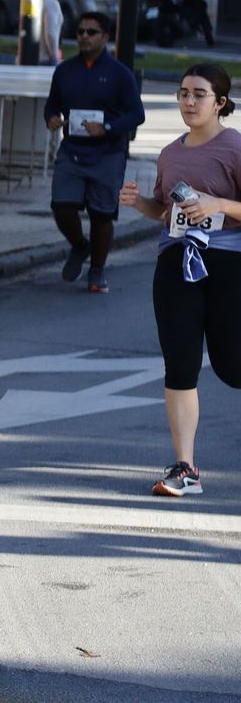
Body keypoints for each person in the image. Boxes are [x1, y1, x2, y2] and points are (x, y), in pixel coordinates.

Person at [118, 64, 241, 498]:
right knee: (180, 364)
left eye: (198, 94)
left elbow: (223, 207)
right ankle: (185, 467)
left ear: (219, 102)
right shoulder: (170, 153)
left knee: (232, 366)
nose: (188, 102)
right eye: (183, 93)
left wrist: (218, 204)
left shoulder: (235, 148)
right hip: (176, 262)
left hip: (227, 265)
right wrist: (140, 203)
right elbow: (165, 211)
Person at [44, 12, 146, 293]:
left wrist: (108, 128)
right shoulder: (65, 71)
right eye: (80, 32)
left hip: (108, 153)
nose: (84, 37)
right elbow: (52, 105)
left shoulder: (119, 74)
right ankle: (80, 246)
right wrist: (51, 118)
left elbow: (137, 114)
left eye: (91, 32)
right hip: (72, 151)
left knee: (101, 214)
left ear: (105, 37)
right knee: (62, 206)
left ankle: (97, 270)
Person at [39, 0, 65, 66]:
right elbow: (50, 33)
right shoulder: (52, 3)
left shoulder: (36, 0)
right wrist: (54, 56)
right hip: (46, 59)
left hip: (34, 57)